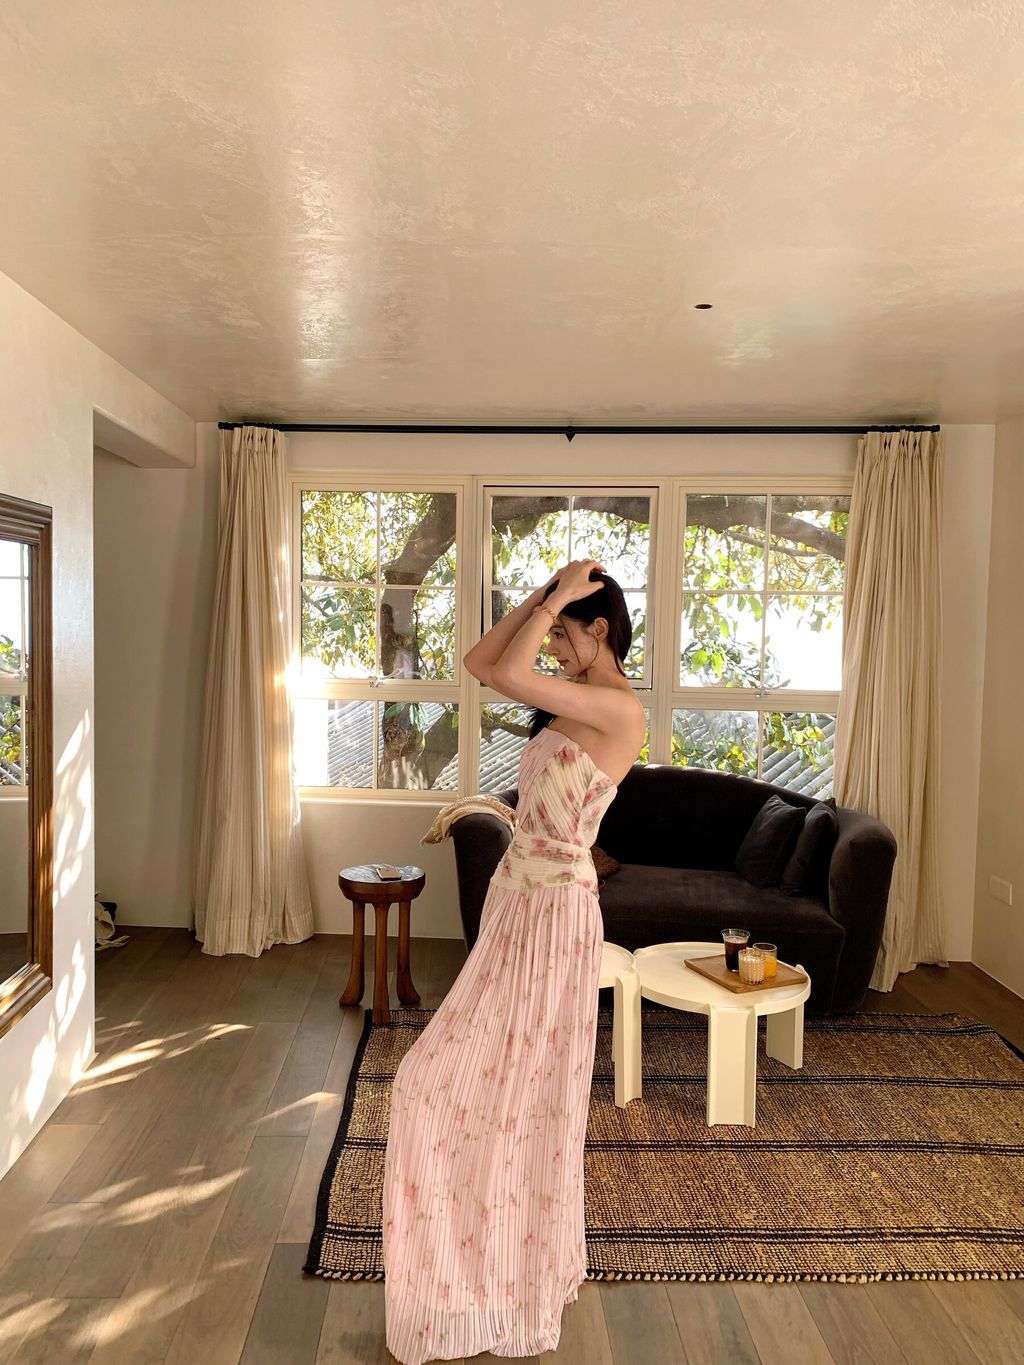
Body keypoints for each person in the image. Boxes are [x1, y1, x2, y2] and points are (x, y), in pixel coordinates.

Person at [382, 559, 646, 1364]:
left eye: (565, 633)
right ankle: (473, 1273)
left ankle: (507, 1279)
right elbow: (481, 663)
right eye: (553, 633)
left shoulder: (618, 709)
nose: (555, 646)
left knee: (518, 1099)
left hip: (556, 917)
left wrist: (558, 599)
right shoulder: (571, 696)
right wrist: (543, 597)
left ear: (600, 629)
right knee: (453, 1086)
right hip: (513, 907)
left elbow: (508, 672)